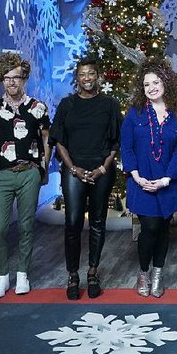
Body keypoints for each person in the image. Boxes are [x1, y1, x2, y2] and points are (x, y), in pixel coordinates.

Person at [50, 57, 121, 300]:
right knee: (72, 222)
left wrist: (103, 168)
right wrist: (73, 169)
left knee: (98, 221)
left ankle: (92, 271)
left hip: (102, 169)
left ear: (98, 75)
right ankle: (72, 274)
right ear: (77, 78)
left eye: (91, 73)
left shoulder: (109, 104)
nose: (87, 78)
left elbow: (115, 141)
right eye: (82, 74)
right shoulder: (67, 104)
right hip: (74, 170)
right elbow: (59, 140)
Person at [0, 52, 51, 298]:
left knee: (25, 225)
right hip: (2, 173)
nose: (12, 82)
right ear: (1, 79)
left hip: (29, 173)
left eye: (17, 77)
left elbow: (46, 139)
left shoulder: (37, 107)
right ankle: (3, 277)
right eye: (7, 78)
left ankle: (22, 273)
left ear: (24, 79)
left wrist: (42, 168)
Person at [121, 58, 177, 298]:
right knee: (149, 228)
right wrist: (136, 177)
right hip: (141, 182)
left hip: (167, 183)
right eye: (146, 84)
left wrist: (168, 178)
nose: (151, 88)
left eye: (155, 82)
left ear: (166, 83)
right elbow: (126, 147)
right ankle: (144, 273)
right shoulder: (134, 113)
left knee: (163, 228)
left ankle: (158, 274)